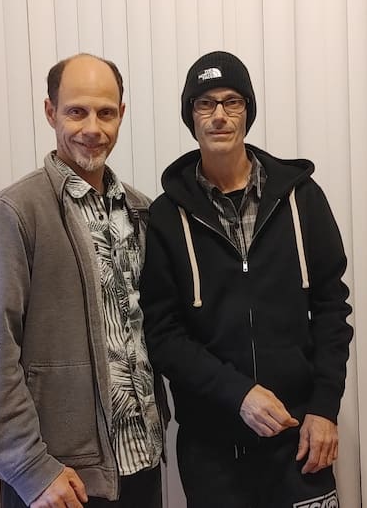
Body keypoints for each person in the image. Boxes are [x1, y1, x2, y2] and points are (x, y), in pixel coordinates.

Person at [139, 51, 353, 508]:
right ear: (190, 116)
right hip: (212, 451)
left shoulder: (302, 198)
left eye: (232, 101)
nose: (219, 115)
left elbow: (333, 309)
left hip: (302, 441)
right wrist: (239, 395)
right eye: (205, 103)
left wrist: (324, 408)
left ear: (247, 113)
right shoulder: (164, 217)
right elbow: (162, 334)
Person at [0, 53, 168, 508]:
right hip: (58, 479)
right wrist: (29, 468)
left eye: (105, 112)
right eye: (76, 111)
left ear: (122, 114)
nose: (92, 128)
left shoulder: (141, 210)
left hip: (140, 463)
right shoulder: (15, 213)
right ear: (51, 112)